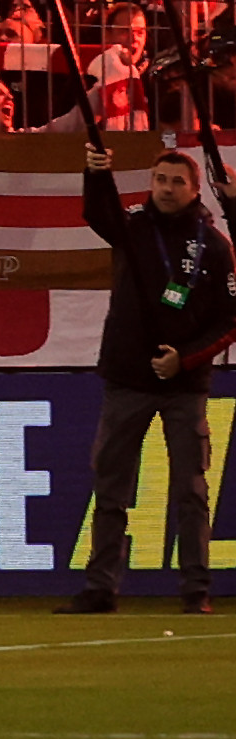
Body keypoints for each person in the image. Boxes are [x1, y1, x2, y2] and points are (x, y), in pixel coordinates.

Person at [65, 123, 224, 616]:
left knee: (190, 491)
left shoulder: (214, 245)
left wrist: (186, 358)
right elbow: (97, 214)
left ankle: (195, 589)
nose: (167, 189)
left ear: (195, 190)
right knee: (110, 487)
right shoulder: (133, 227)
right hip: (127, 378)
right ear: (150, 183)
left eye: (177, 181)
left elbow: (229, 320)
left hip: (185, 386)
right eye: (160, 179)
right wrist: (96, 174)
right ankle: (100, 588)